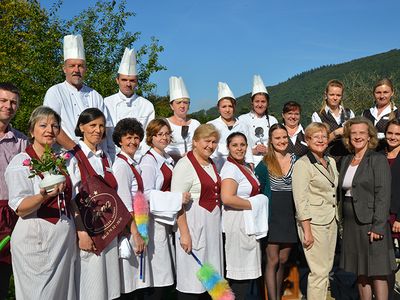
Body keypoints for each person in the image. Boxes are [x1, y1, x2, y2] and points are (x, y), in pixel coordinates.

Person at [5, 106, 76, 299]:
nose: (49, 130)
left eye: (54, 126)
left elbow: (71, 199)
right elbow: (20, 208)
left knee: (63, 294)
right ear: (31, 130)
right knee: (39, 294)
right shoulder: (21, 162)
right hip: (35, 237)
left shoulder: (60, 160)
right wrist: (42, 196)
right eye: (43, 125)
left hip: (63, 239)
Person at [339, 117, 396, 299]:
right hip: (351, 223)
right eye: (353, 133)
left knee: (377, 272)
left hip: (371, 223)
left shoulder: (377, 159)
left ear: (369, 135)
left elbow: (383, 194)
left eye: (362, 132)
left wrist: (378, 226)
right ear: (348, 136)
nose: (357, 136)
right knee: (360, 272)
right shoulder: (347, 160)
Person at [67, 108, 120, 300]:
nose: (97, 130)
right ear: (81, 127)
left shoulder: (104, 156)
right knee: (92, 287)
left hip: (109, 228)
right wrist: (81, 231)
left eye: (101, 126)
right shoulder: (73, 157)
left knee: (110, 286)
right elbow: (71, 198)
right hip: (89, 231)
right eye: (92, 125)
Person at [139, 118, 190, 299]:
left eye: (167, 134)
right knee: (159, 274)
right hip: (155, 223)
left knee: (166, 273)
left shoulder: (167, 158)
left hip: (167, 219)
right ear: (151, 137)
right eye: (159, 134)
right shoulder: (148, 161)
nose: (164, 138)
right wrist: (176, 198)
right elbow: (145, 194)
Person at [172, 124, 223, 299]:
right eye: (206, 141)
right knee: (193, 278)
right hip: (194, 226)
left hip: (211, 227)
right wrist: (184, 233)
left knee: (212, 278)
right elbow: (176, 202)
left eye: (214, 142)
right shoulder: (184, 165)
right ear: (195, 142)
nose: (211, 145)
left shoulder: (211, 163)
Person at [292, 122, 339, 300]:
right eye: (315, 137)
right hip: (314, 224)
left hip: (331, 220)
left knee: (326, 269)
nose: (320, 140)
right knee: (318, 272)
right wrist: (307, 230)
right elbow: (300, 199)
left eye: (324, 136)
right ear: (307, 140)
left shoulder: (330, 161)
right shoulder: (303, 164)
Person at [44, 34, 112, 153]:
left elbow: (105, 129)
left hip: (94, 155)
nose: (76, 70)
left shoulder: (95, 95)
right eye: (72, 66)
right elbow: (52, 126)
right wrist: (78, 153)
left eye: (80, 66)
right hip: (64, 156)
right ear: (64, 69)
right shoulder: (55, 92)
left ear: (85, 69)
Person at [220, 132, 266, 299]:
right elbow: (227, 197)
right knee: (240, 273)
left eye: (242, 145)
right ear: (228, 148)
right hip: (237, 223)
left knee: (246, 272)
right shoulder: (231, 169)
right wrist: (255, 203)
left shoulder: (244, 166)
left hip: (246, 221)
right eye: (235, 145)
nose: (239, 148)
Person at [254, 124, 298, 300]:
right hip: (272, 214)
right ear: (271, 141)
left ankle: (278, 297)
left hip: (290, 213)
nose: (281, 141)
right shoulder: (265, 163)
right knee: (272, 260)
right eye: (277, 138)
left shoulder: (296, 160)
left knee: (283, 259)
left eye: (284, 137)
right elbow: (258, 189)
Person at [111, 118, 150, 297]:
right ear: (120, 140)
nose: (133, 141)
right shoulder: (121, 166)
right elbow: (125, 204)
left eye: (136, 137)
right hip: (130, 229)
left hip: (138, 226)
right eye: (128, 137)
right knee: (130, 284)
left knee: (138, 282)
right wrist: (135, 233)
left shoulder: (131, 163)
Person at [0, 83, 28, 300]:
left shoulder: (21, 141)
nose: (8, 106)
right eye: (3, 101)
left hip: (9, 213)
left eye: (13, 102)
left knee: (4, 273)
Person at [105, 48, 155, 161]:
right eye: (124, 80)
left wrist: (141, 158)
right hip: (112, 157)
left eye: (132, 80)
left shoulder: (147, 106)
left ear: (137, 81)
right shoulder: (106, 103)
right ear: (117, 80)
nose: (128, 84)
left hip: (139, 158)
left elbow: (148, 136)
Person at [208, 82, 253, 171]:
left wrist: (250, 165)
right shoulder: (211, 125)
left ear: (234, 107)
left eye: (230, 106)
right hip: (218, 167)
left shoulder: (243, 125)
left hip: (241, 167)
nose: (227, 110)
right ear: (218, 108)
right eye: (224, 106)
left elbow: (248, 148)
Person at [311, 79, 354, 163]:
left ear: (341, 96)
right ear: (325, 95)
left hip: (348, 159)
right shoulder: (317, 115)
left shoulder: (349, 113)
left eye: (338, 95)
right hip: (328, 160)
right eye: (331, 95)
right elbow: (318, 141)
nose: (335, 98)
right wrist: (335, 133)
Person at [239, 75, 278, 165]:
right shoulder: (242, 120)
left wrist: (267, 150)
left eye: (263, 102)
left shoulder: (273, 120)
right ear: (252, 102)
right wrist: (253, 151)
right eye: (257, 101)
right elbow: (237, 144)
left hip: (269, 162)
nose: (260, 105)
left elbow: (277, 144)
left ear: (267, 103)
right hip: (248, 162)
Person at [165, 76, 200, 163]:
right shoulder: (165, 124)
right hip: (170, 164)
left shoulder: (195, 124)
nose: (182, 106)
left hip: (193, 163)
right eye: (178, 102)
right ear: (171, 106)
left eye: (185, 102)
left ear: (189, 105)